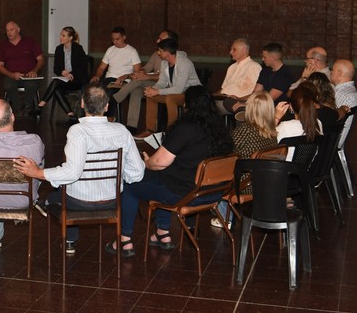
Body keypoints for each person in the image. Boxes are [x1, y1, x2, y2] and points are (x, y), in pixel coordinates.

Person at [16, 84, 144, 254]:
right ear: (106, 106)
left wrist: (38, 173)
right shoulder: (122, 131)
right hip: (112, 200)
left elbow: (72, 172)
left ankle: (67, 236)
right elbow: (137, 173)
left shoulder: (78, 131)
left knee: (58, 193)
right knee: (64, 188)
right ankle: (66, 229)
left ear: (82, 103)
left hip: (79, 203)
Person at [110, 86, 232, 257]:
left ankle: (124, 240)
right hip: (212, 193)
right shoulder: (221, 129)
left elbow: (159, 162)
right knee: (162, 179)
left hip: (186, 194)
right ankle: (162, 233)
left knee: (131, 183)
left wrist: (147, 162)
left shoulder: (186, 128)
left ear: (187, 105)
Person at [0, 99, 44, 248]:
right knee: (39, 164)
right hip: (24, 200)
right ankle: (35, 198)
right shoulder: (34, 142)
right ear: (12, 116)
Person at [211, 91, 278, 228]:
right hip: (264, 182)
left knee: (214, 174)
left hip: (244, 183)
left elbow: (226, 152)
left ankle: (226, 217)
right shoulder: (273, 134)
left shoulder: (245, 130)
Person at [112, 30, 178, 130]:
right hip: (154, 84)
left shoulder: (175, 56)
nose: (157, 40)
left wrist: (146, 77)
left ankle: (114, 100)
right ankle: (132, 126)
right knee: (136, 90)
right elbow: (146, 68)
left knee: (139, 81)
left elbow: (167, 78)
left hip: (168, 86)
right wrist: (140, 73)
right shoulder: (156, 54)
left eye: (160, 39)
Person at [137, 37, 201, 137]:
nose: (158, 53)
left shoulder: (184, 63)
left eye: (160, 51)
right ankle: (149, 130)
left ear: (167, 52)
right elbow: (162, 82)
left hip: (191, 94)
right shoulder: (164, 63)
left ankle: (171, 132)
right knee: (151, 96)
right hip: (176, 92)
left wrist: (157, 91)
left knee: (170, 98)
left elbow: (179, 89)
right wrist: (153, 89)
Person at [34, 26, 89, 120]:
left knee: (56, 83)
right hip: (65, 80)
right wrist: (62, 72)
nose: (61, 37)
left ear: (70, 38)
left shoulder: (78, 49)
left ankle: (40, 105)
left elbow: (83, 68)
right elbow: (56, 68)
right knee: (56, 88)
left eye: (63, 36)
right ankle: (71, 114)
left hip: (77, 80)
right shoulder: (59, 49)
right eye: (61, 35)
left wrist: (72, 74)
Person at [0, 21, 45, 119]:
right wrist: (11, 74)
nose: (9, 32)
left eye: (11, 30)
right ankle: (17, 108)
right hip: (12, 75)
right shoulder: (3, 45)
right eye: (7, 30)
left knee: (31, 84)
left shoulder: (30, 42)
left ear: (18, 30)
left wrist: (34, 70)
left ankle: (28, 108)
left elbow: (41, 59)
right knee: (8, 84)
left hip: (29, 74)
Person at [91, 26, 142, 119]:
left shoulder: (132, 51)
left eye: (117, 39)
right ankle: (92, 117)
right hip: (108, 79)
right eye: (113, 39)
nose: (115, 42)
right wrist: (97, 76)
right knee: (91, 90)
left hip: (123, 81)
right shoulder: (110, 50)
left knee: (109, 94)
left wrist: (125, 76)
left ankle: (109, 119)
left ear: (124, 37)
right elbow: (101, 68)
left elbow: (137, 71)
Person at [213, 38, 262, 114]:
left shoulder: (254, 67)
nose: (231, 52)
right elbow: (224, 88)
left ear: (244, 50)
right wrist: (211, 95)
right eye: (231, 49)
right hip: (223, 98)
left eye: (234, 49)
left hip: (238, 102)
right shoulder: (232, 67)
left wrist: (240, 99)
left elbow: (257, 92)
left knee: (209, 108)